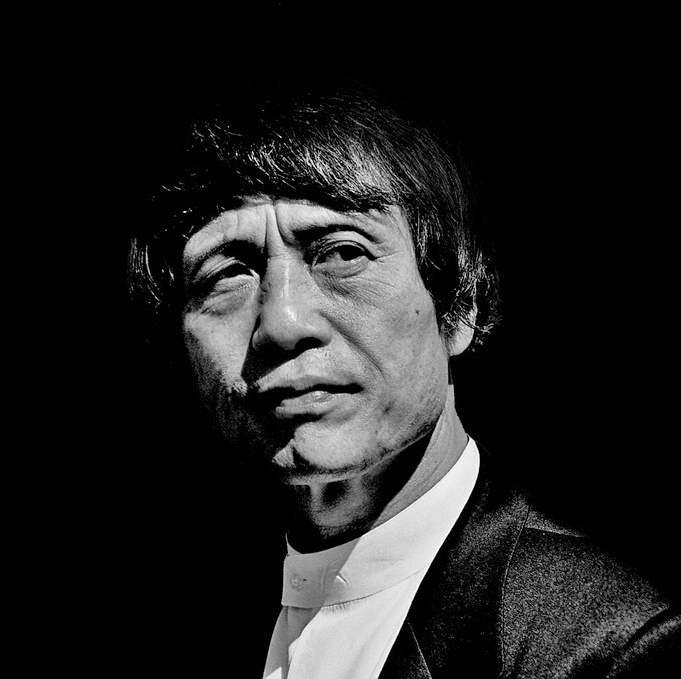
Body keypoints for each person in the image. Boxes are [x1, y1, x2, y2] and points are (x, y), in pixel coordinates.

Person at [126, 80, 679, 678]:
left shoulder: (607, 649)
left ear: (460, 309)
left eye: (343, 253)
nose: (282, 324)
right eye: (228, 273)